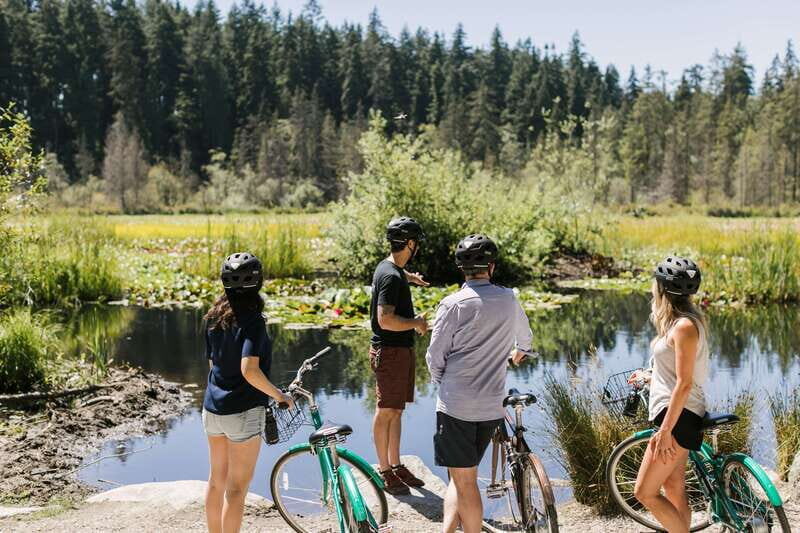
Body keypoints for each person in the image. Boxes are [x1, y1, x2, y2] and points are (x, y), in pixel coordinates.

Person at [425, 234, 532, 533]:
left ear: (462, 269)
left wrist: (442, 384)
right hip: (492, 406)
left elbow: (434, 357)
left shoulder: (453, 304)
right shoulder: (509, 298)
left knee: (466, 481)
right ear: (492, 267)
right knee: (459, 476)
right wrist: (514, 355)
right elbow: (525, 342)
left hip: (456, 405)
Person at [202, 252, 294, 533]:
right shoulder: (253, 322)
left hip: (212, 411)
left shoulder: (213, 317)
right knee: (237, 489)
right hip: (241, 413)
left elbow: (213, 365)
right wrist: (280, 395)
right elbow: (249, 370)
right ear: (258, 283)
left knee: (216, 481)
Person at [633, 256, 709, 533]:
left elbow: (685, 384)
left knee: (644, 492)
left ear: (662, 289)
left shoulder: (685, 326)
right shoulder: (679, 323)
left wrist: (665, 431)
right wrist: (650, 376)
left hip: (678, 416)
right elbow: (677, 375)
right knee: (673, 487)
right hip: (676, 412)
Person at [369, 216, 430, 495]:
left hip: (398, 352)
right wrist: (416, 322)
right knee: (386, 411)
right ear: (410, 243)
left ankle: (396, 465)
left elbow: (393, 272)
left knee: (396, 411)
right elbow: (386, 320)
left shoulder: (390, 268)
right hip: (391, 352)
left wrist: (411, 277)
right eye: (416, 242)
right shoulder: (391, 276)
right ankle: (384, 471)